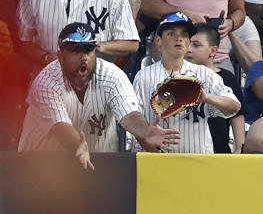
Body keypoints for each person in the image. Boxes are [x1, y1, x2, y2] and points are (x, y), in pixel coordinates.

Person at [18, 22, 179, 168]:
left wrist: (145, 131)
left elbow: (129, 115)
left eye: (88, 50)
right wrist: (77, 144)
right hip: (42, 164)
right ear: (61, 56)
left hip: (98, 164)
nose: (83, 57)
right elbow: (60, 127)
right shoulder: (46, 81)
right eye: (75, 51)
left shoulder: (112, 76)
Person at [134, 13, 241, 153]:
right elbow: (135, 124)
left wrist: (207, 97)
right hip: (156, 161)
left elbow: (235, 106)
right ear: (158, 40)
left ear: (189, 42)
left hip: (198, 162)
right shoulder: (143, 76)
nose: (179, 39)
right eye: (171, 33)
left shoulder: (205, 74)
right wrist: (155, 154)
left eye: (184, 35)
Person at [17, 0, 139, 67]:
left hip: (96, 84)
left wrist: (95, 46)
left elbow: (131, 43)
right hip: (48, 80)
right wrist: (45, 57)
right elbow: (21, 41)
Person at [141, 0, 246, 69]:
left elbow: (239, 11)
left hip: (215, 58)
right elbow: (148, 4)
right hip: (172, 57)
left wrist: (230, 23)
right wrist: (184, 15)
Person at [185, 23, 246, 153]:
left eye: (196, 45)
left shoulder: (226, 77)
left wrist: (240, 147)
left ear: (213, 51)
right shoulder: (178, 77)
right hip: (188, 148)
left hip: (219, 149)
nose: (189, 49)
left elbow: (237, 116)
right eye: (187, 43)